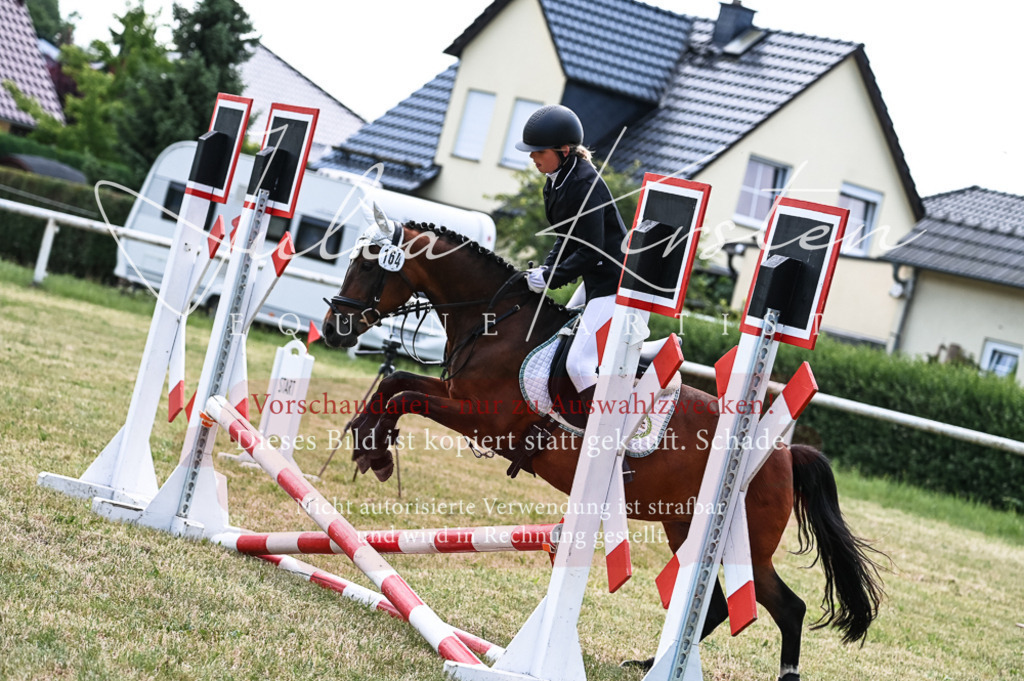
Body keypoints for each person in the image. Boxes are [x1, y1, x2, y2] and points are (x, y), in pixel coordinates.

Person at [515, 104, 627, 402]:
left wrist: (551, 276)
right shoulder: (557, 181)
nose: (532, 156)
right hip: (596, 278)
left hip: (615, 283)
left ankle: (598, 432)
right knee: (557, 334)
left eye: (539, 151)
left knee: (578, 365)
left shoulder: (583, 184)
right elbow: (565, 238)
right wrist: (545, 271)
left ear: (564, 150)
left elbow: (591, 249)